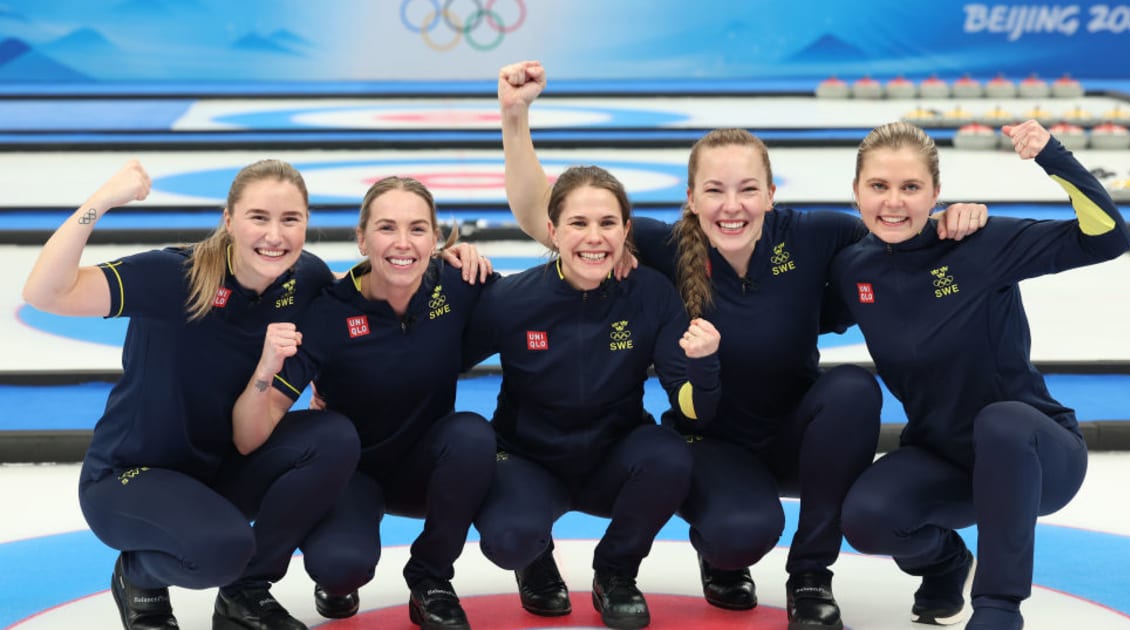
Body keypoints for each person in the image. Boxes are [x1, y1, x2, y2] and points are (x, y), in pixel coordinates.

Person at [496, 60, 989, 630]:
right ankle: (721, 553)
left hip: (799, 435)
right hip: (711, 444)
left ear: (771, 194)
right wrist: (515, 116)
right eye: (715, 190)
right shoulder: (658, 246)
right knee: (737, 537)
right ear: (690, 199)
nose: (732, 206)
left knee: (852, 387)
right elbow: (543, 216)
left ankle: (812, 574)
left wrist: (956, 217)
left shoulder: (815, 235)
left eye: (748, 189)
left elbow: (897, 227)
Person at [22, 159, 362, 630]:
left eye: (290, 220)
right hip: (130, 476)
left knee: (332, 436)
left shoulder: (305, 279)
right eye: (258, 218)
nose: (275, 236)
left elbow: (362, 306)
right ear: (229, 220)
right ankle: (138, 574)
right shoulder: (173, 276)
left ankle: (246, 592)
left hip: (220, 469)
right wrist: (98, 203)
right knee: (221, 550)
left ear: (307, 223)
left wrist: (442, 263)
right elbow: (46, 293)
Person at [834, 120, 1130, 630]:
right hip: (945, 460)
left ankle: (998, 609)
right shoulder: (853, 269)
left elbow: (1108, 237)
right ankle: (946, 564)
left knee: (1001, 421)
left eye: (911, 188)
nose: (894, 203)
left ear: (936, 193)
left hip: (1036, 454)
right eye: (879, 186)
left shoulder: (981, 243)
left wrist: (1052, 155)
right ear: (856, 191)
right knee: (867, 518)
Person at [231, 176, 497, 630]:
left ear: (436, 239)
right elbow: (254, 426)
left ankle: (430, 576)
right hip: (350, 473)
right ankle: (314, 575)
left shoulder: (459, 284)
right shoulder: (329, 312)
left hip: (425, 467)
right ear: (361, 239)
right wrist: (262, 373)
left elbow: (547, 306)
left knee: (472, 434)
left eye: (417, 229)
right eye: (386, 228)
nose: (402, 243)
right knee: (340, 568)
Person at [464, 165, 722, 629]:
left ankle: (616, 572)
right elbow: (439, 355)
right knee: (510, 539)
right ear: (552, 231)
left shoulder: (650, 294)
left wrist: (704, 369)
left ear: (626, 230)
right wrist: (444, 263)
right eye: (578, 224)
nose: (594, 238)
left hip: (614, 456)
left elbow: (691, 406)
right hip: (529, 459)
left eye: (607, 224)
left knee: (669, 456)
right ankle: (535, 558)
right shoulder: (512, 299)